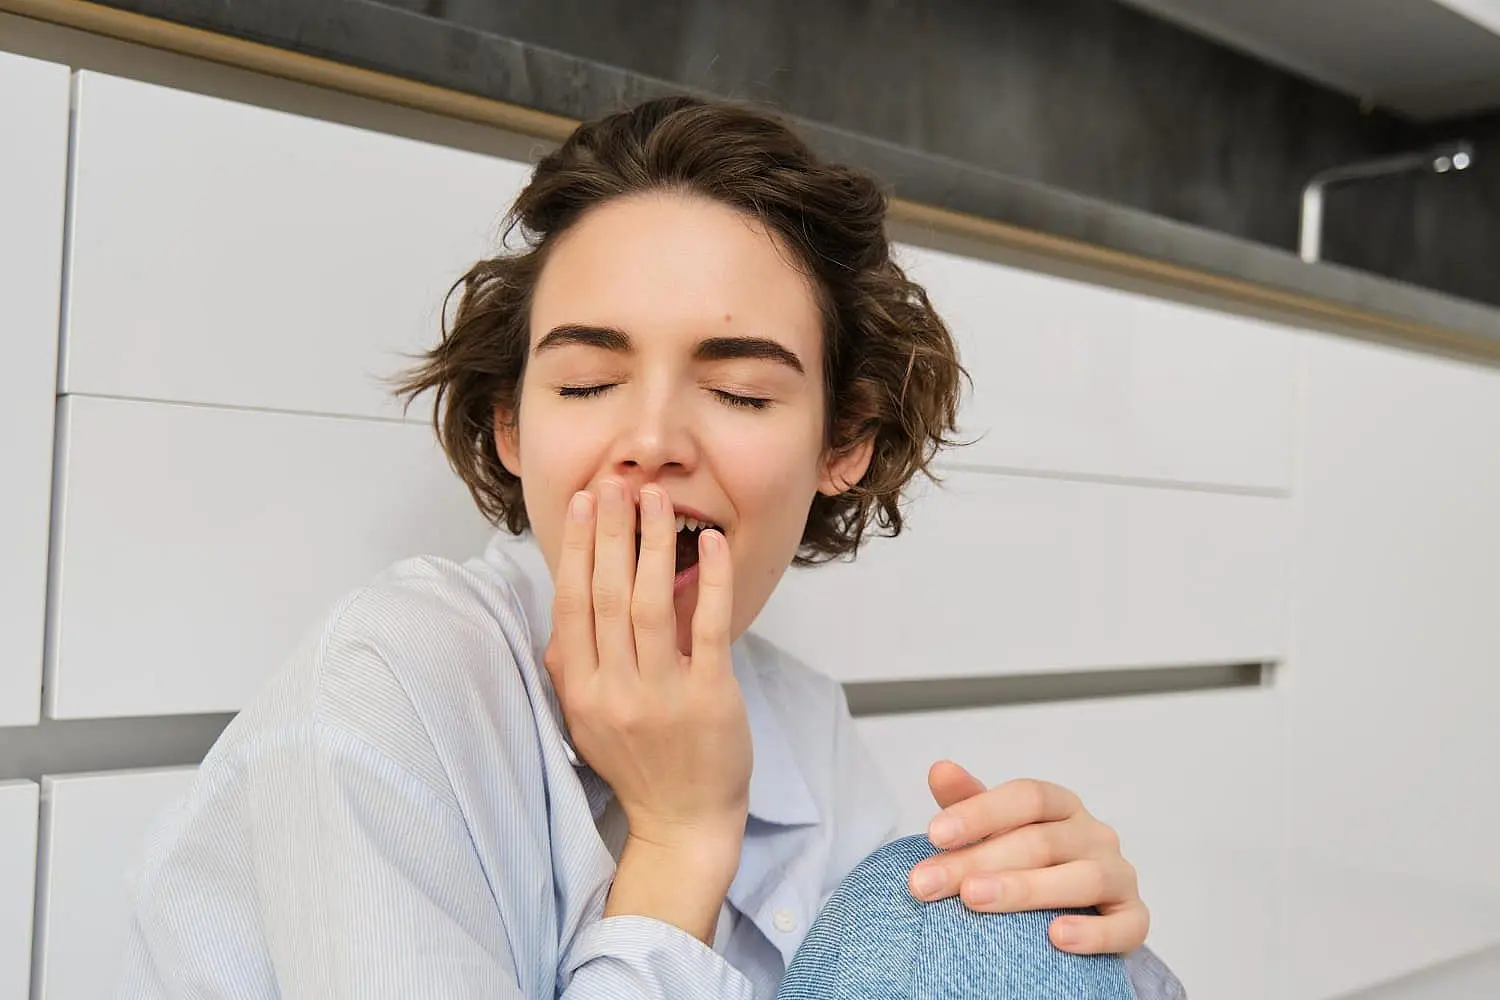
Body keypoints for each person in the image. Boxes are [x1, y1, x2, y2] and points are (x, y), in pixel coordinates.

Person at [116, 96, 1184, 999]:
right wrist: (678, 839)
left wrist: (1089, 938)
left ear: (843, 440)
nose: (653, 443)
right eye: (586, 383)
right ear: (512, 426)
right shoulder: (385, 689)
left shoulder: (799, 722)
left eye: (739, 390)